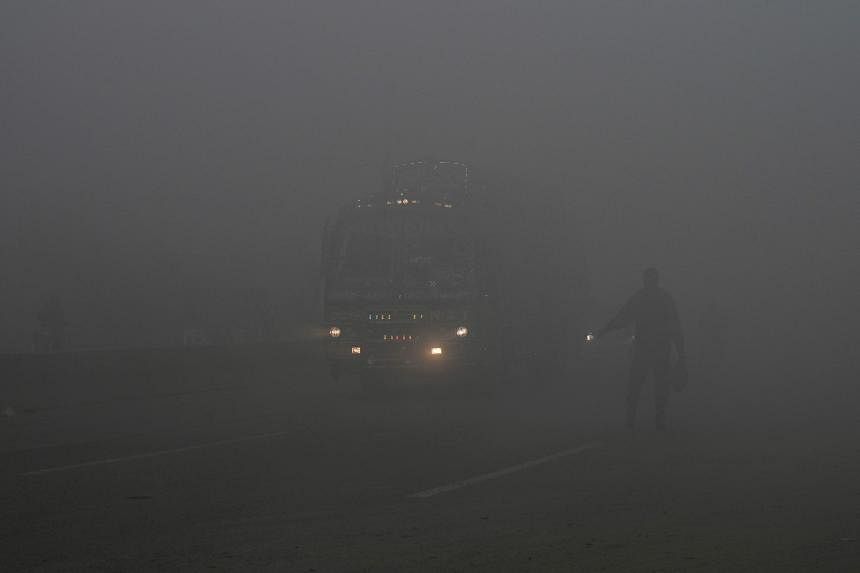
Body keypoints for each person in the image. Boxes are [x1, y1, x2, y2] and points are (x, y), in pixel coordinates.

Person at [596, 268, 685, 430]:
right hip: (655, 350)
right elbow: (675, 328)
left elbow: (622, 318)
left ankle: (637, 420)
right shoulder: (661, 299)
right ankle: (654, 421)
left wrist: (604, 330)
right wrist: (681, 355)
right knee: (650, 386)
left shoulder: (643, 298)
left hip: (648, 350)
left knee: (640, 386)